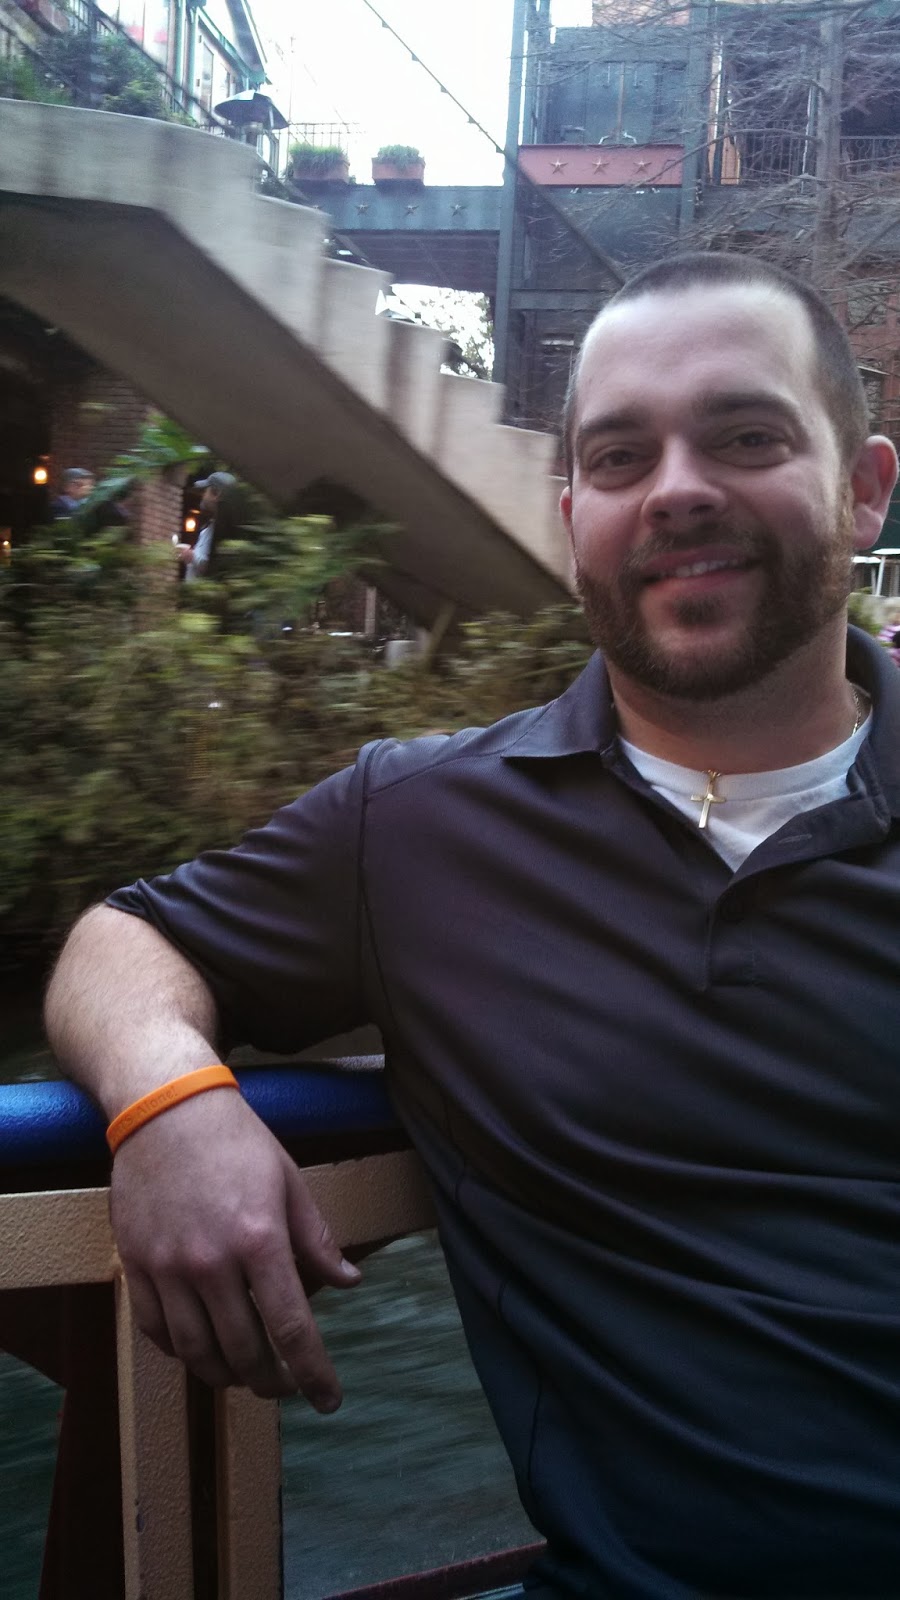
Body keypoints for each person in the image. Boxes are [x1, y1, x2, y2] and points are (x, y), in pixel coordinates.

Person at [44, 253, 900, 1598]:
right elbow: (121, 941)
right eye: (619, 457)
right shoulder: (418, 827)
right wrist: (170, 1104)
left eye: (746, 437)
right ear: (573, 520)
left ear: (863, 488)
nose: (675, 489)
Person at [175, 470, 237, 581]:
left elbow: (217, 568)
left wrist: (191, 556)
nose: (203, 495)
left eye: (205, 491)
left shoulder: (224, 531)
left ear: (216, 494)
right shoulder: (208, 529)